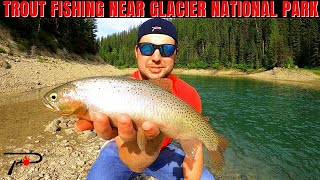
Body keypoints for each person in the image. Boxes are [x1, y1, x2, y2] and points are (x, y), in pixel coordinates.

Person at [74, 18, 215, 180]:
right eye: (147, 48)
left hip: (164, 153)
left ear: (176, 53)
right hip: (123, 149)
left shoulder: (189, 94)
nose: (156, 57)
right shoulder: (117, 90)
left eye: (167, 49)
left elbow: (195, 146)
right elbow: (135, 163)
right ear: (136, 51)